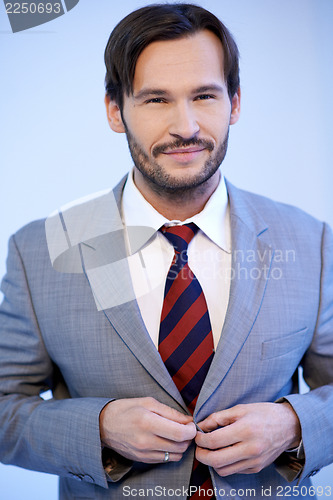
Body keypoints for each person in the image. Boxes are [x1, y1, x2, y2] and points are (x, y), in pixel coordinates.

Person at [0, 3, 332, 499]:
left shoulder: (312, 243)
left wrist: (294, 425)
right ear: (116, 110)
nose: (186, 127)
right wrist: (99, 427)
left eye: (204, 96)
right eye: (156, 100)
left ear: (235, 103)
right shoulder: (40, 249)